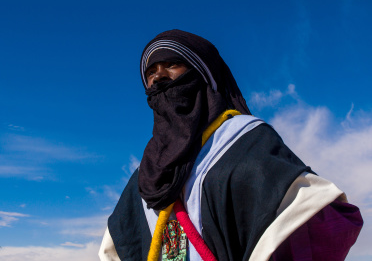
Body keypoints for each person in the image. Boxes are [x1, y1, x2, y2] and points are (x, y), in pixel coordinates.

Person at [99, 30, 363, 261]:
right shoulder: (148, 171)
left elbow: (313, 214)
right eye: (151, 73)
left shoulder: (241, 140)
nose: (158, 78)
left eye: (172, 65)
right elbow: (120, 244)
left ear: (202, 73)